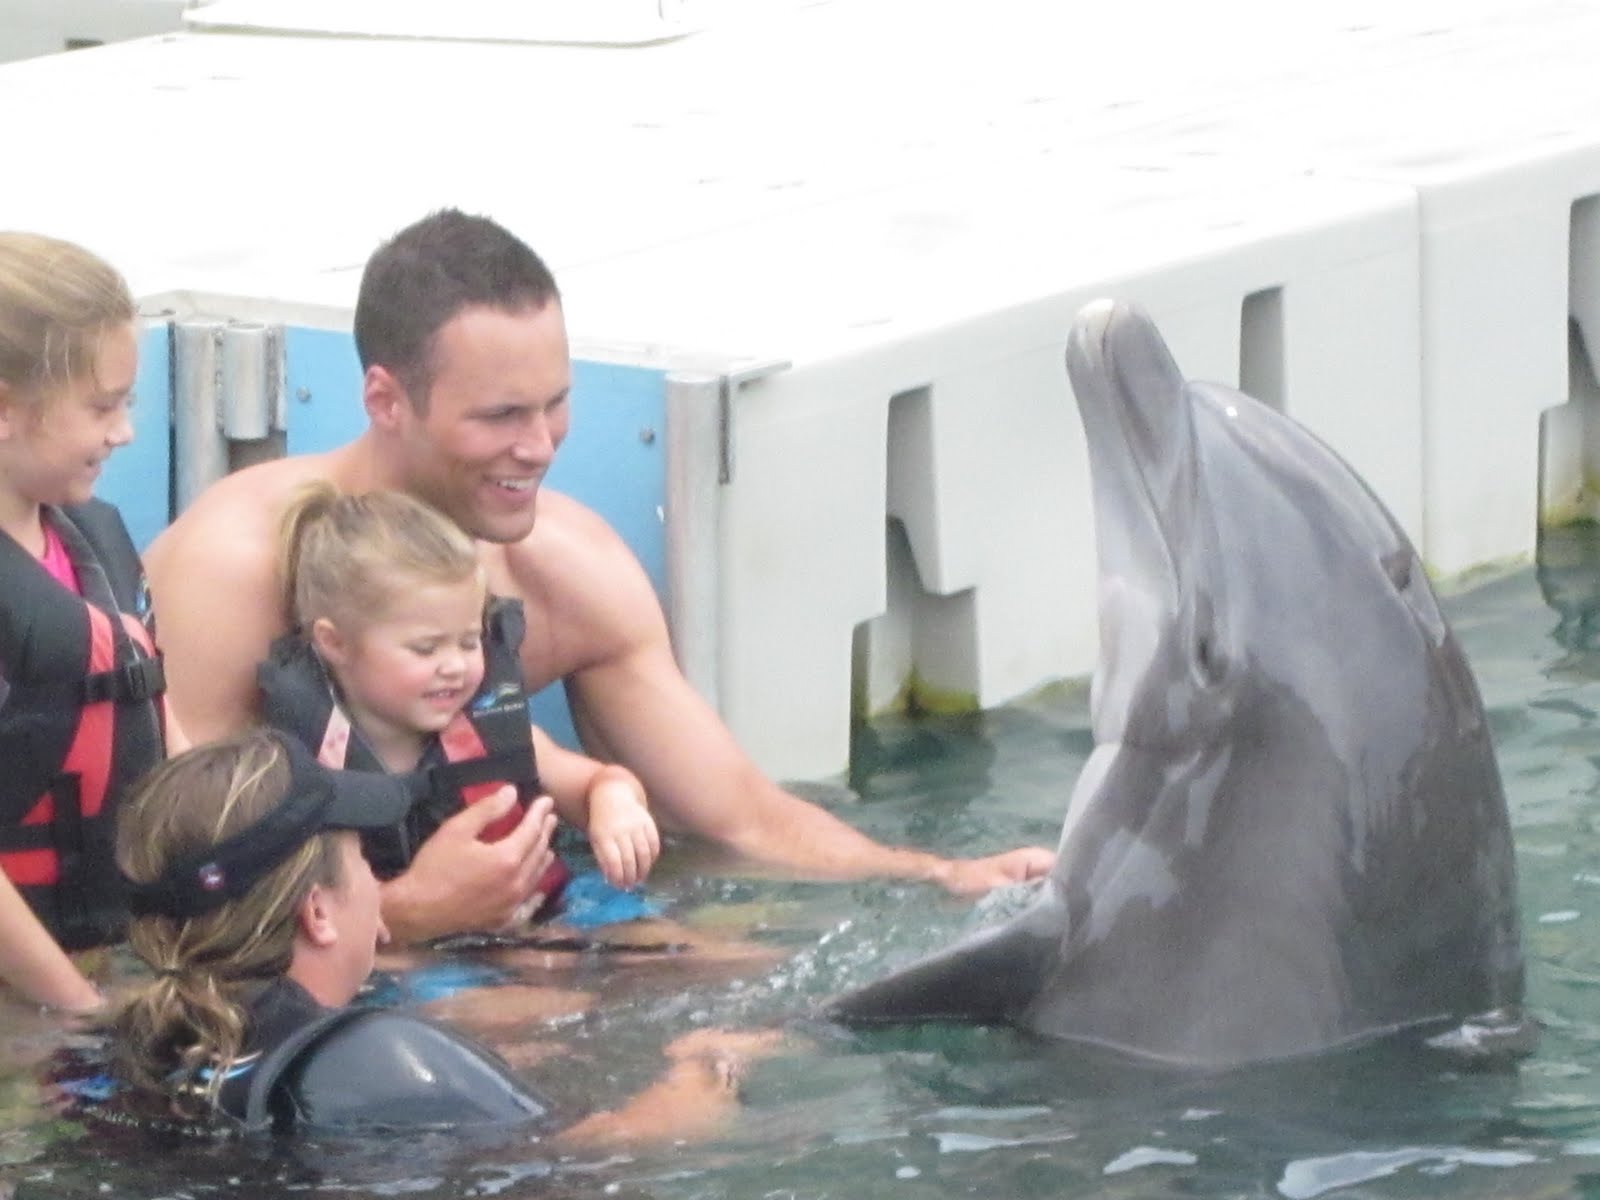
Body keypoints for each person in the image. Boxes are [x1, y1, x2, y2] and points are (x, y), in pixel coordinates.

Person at [144, 209, 1054, 942]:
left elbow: (738, 818)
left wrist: (937, 876)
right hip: (320, 974)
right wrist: (406, 915)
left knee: (737, 991)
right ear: (387, 399)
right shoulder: (236, 572)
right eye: (501, 415)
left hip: (512, 937)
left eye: (556, 404)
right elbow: (168, 882)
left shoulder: (565, 568)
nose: (539, 446)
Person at [111, 729, 776, 1139]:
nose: (377, 882)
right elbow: (612, 1148)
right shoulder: (377, 1053)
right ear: (317, 913)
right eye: (364, 862)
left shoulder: (140, 1048)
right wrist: (708, 1065)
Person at [261, 481, 660, 915]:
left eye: (469, 642)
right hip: (408, 948)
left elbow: (597, 781)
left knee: (674, 940)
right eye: (425, 648)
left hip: (546, 917)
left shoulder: (488, 733)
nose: (454, 665)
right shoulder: (295, 771)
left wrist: (614, 804)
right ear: (335, 643)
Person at [0, 231, 169, 1013]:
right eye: (103, 406)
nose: (123, 430)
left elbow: (158, 728)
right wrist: (79, 1013)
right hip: (38, 1001)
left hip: (109, 952)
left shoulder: (90, 539)